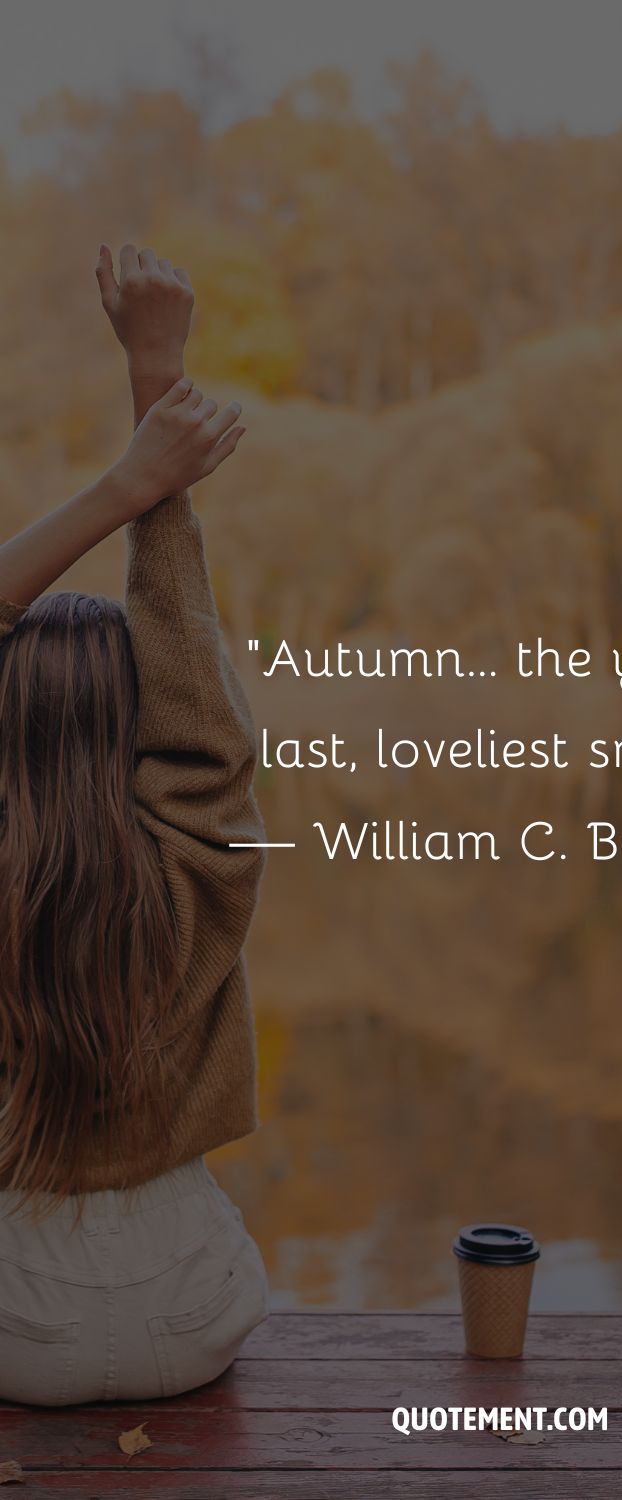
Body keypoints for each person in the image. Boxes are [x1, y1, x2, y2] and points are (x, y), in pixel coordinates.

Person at [0, 245, 269, 1404]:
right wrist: (156, 387)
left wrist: (122, 482)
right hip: (194, 1309)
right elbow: (194, 698)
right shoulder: (202, 865)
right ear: (139, 726)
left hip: (17, 1325)